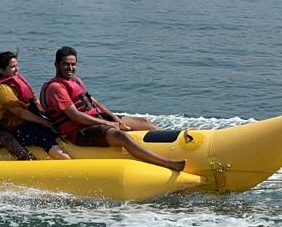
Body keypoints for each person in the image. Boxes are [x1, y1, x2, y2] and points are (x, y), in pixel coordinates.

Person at [40, 46, 185, 171]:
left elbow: (94, 103)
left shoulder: (75, 80)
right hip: (79, 131)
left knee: (144, 122)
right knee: (120, 136)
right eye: (66, 64)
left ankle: (175, 150)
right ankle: (166, 163)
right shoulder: (55, 87)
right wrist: (108, 124)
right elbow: (75, 115)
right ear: (56, 65)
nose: (70, 68)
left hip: (96, 119)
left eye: (73, 64)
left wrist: (115, 118)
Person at [0, 51, 71, 160]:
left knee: (55, 128)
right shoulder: (0, 88)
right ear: (1, 70)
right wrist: (42, 122)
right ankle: (66, 160)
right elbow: (19, 112)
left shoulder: (14, 82)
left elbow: (34, 103)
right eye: (12, 67)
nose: (16, 69)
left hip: (28, 123)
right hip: (15, 129)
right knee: (41, 135)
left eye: (17, 65)